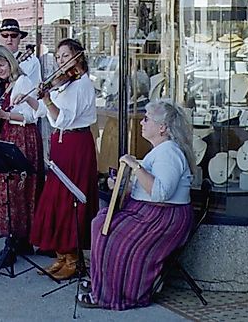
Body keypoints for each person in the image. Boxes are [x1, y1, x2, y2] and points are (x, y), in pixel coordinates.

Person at [79, 99, 196, 310]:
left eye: (146, 119)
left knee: (110, 234)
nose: (141, 123)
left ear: (162, 128)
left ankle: (114, 294)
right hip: (151, 212)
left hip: (162, 218)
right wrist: (123, 180)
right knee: (101, 223)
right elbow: (148, 184)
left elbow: (160, 192)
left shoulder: (169, 152)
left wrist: (134, 166)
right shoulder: (161, 150)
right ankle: (102, 284)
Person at [29, 38, 97, 281]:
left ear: (77, 57)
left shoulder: (83, 85)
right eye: (58, 57)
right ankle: (61, 256)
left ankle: (74, 259)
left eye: (65, 56)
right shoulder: (64, 85)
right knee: (56, 198)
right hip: (60, 143)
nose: (60, 61)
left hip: (76, 144)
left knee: (71, 199)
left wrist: (47, 99)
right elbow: (42, 112)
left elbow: (63, 119)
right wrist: (32, 97)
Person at [0, 45, 42, 252]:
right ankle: (13, 236)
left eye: (2, 65)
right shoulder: (3, 85)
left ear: (10, 62)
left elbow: (32, 116)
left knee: (19, 189)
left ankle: (20, 238)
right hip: (8, 136)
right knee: (8, 188)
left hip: (22, 138)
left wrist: (4, 116)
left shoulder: (23, 81)